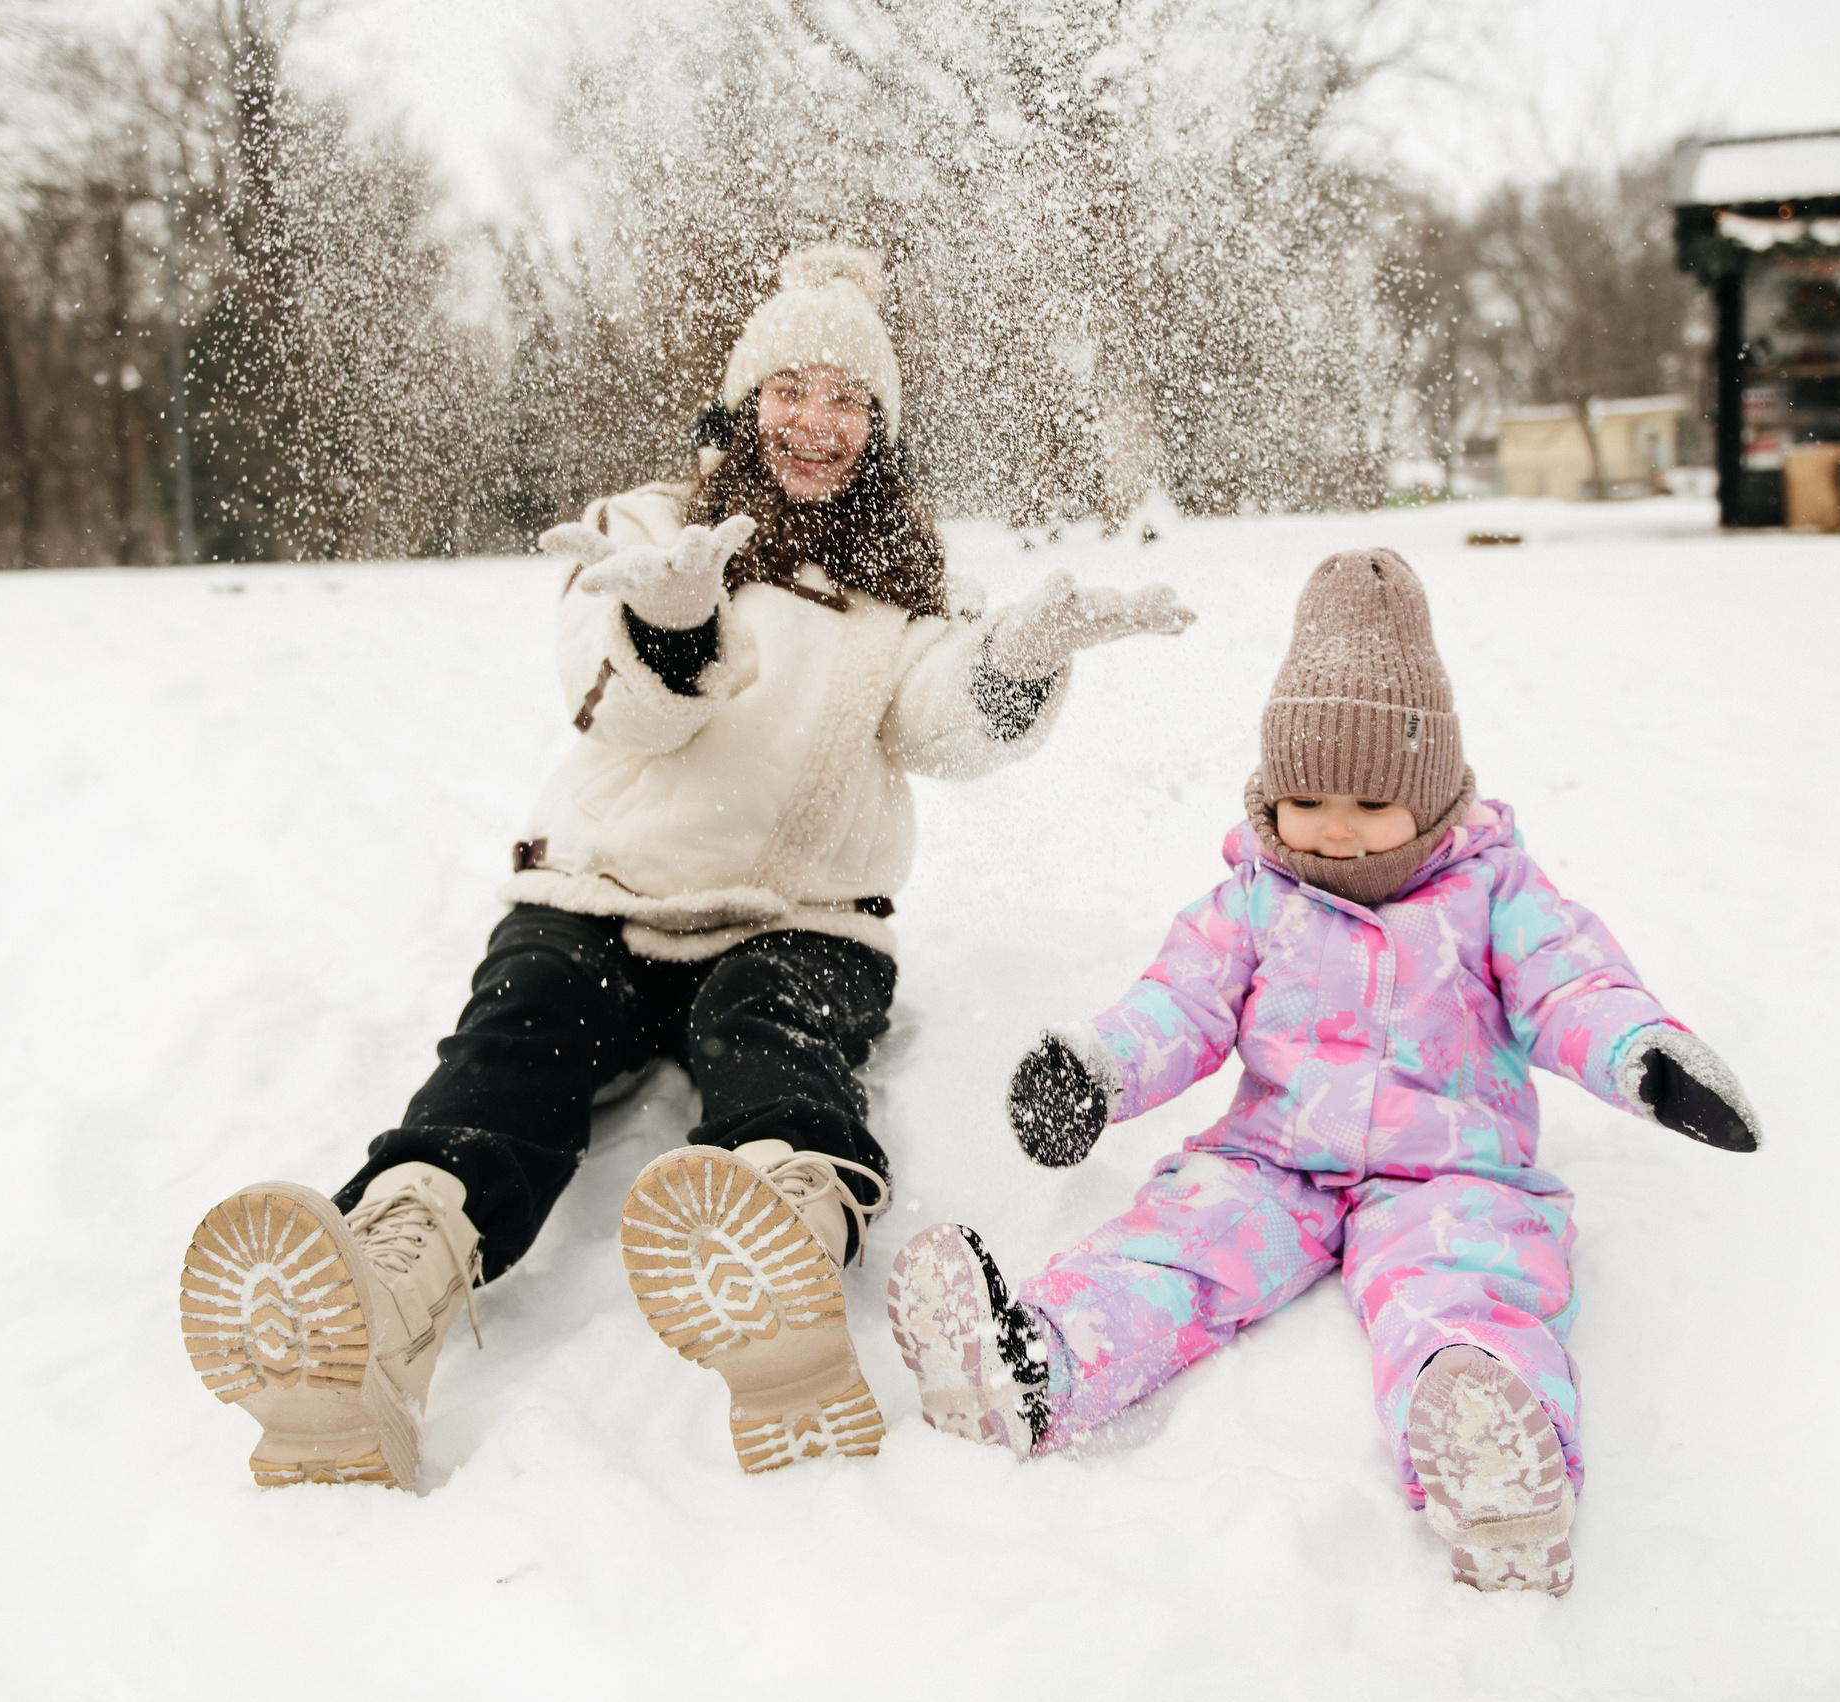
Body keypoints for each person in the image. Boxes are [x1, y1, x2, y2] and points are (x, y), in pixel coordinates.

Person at [177, 246, 1194, 1487]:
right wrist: (667, 620)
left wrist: (1016, 657)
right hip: (600, 895)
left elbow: (934, 720)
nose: (813, 422)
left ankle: (787, 1257)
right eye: (789, 389)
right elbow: (613, 708)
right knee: (510, 1054)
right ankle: (384, 1305)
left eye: (846, 398)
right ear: (743, 399)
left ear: (880, 427)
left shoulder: (907, 586)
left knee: (780, 1049)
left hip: (799, 916)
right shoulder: (650, 529)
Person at [885, 548, 1760, 1595]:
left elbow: (1569, 982)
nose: (1333, 825)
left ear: (1430, 794)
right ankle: (1035, 1364)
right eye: (1305, 797)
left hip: (1451, 1169)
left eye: (1368, 799)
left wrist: (1641, 1054)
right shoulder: (1255, 898)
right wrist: (1100, 1066)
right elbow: (1181, 999)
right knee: (1177, 1245)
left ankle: (1496, 1465)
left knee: (1463, 1285)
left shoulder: (1492, 891)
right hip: (1274, 1158)